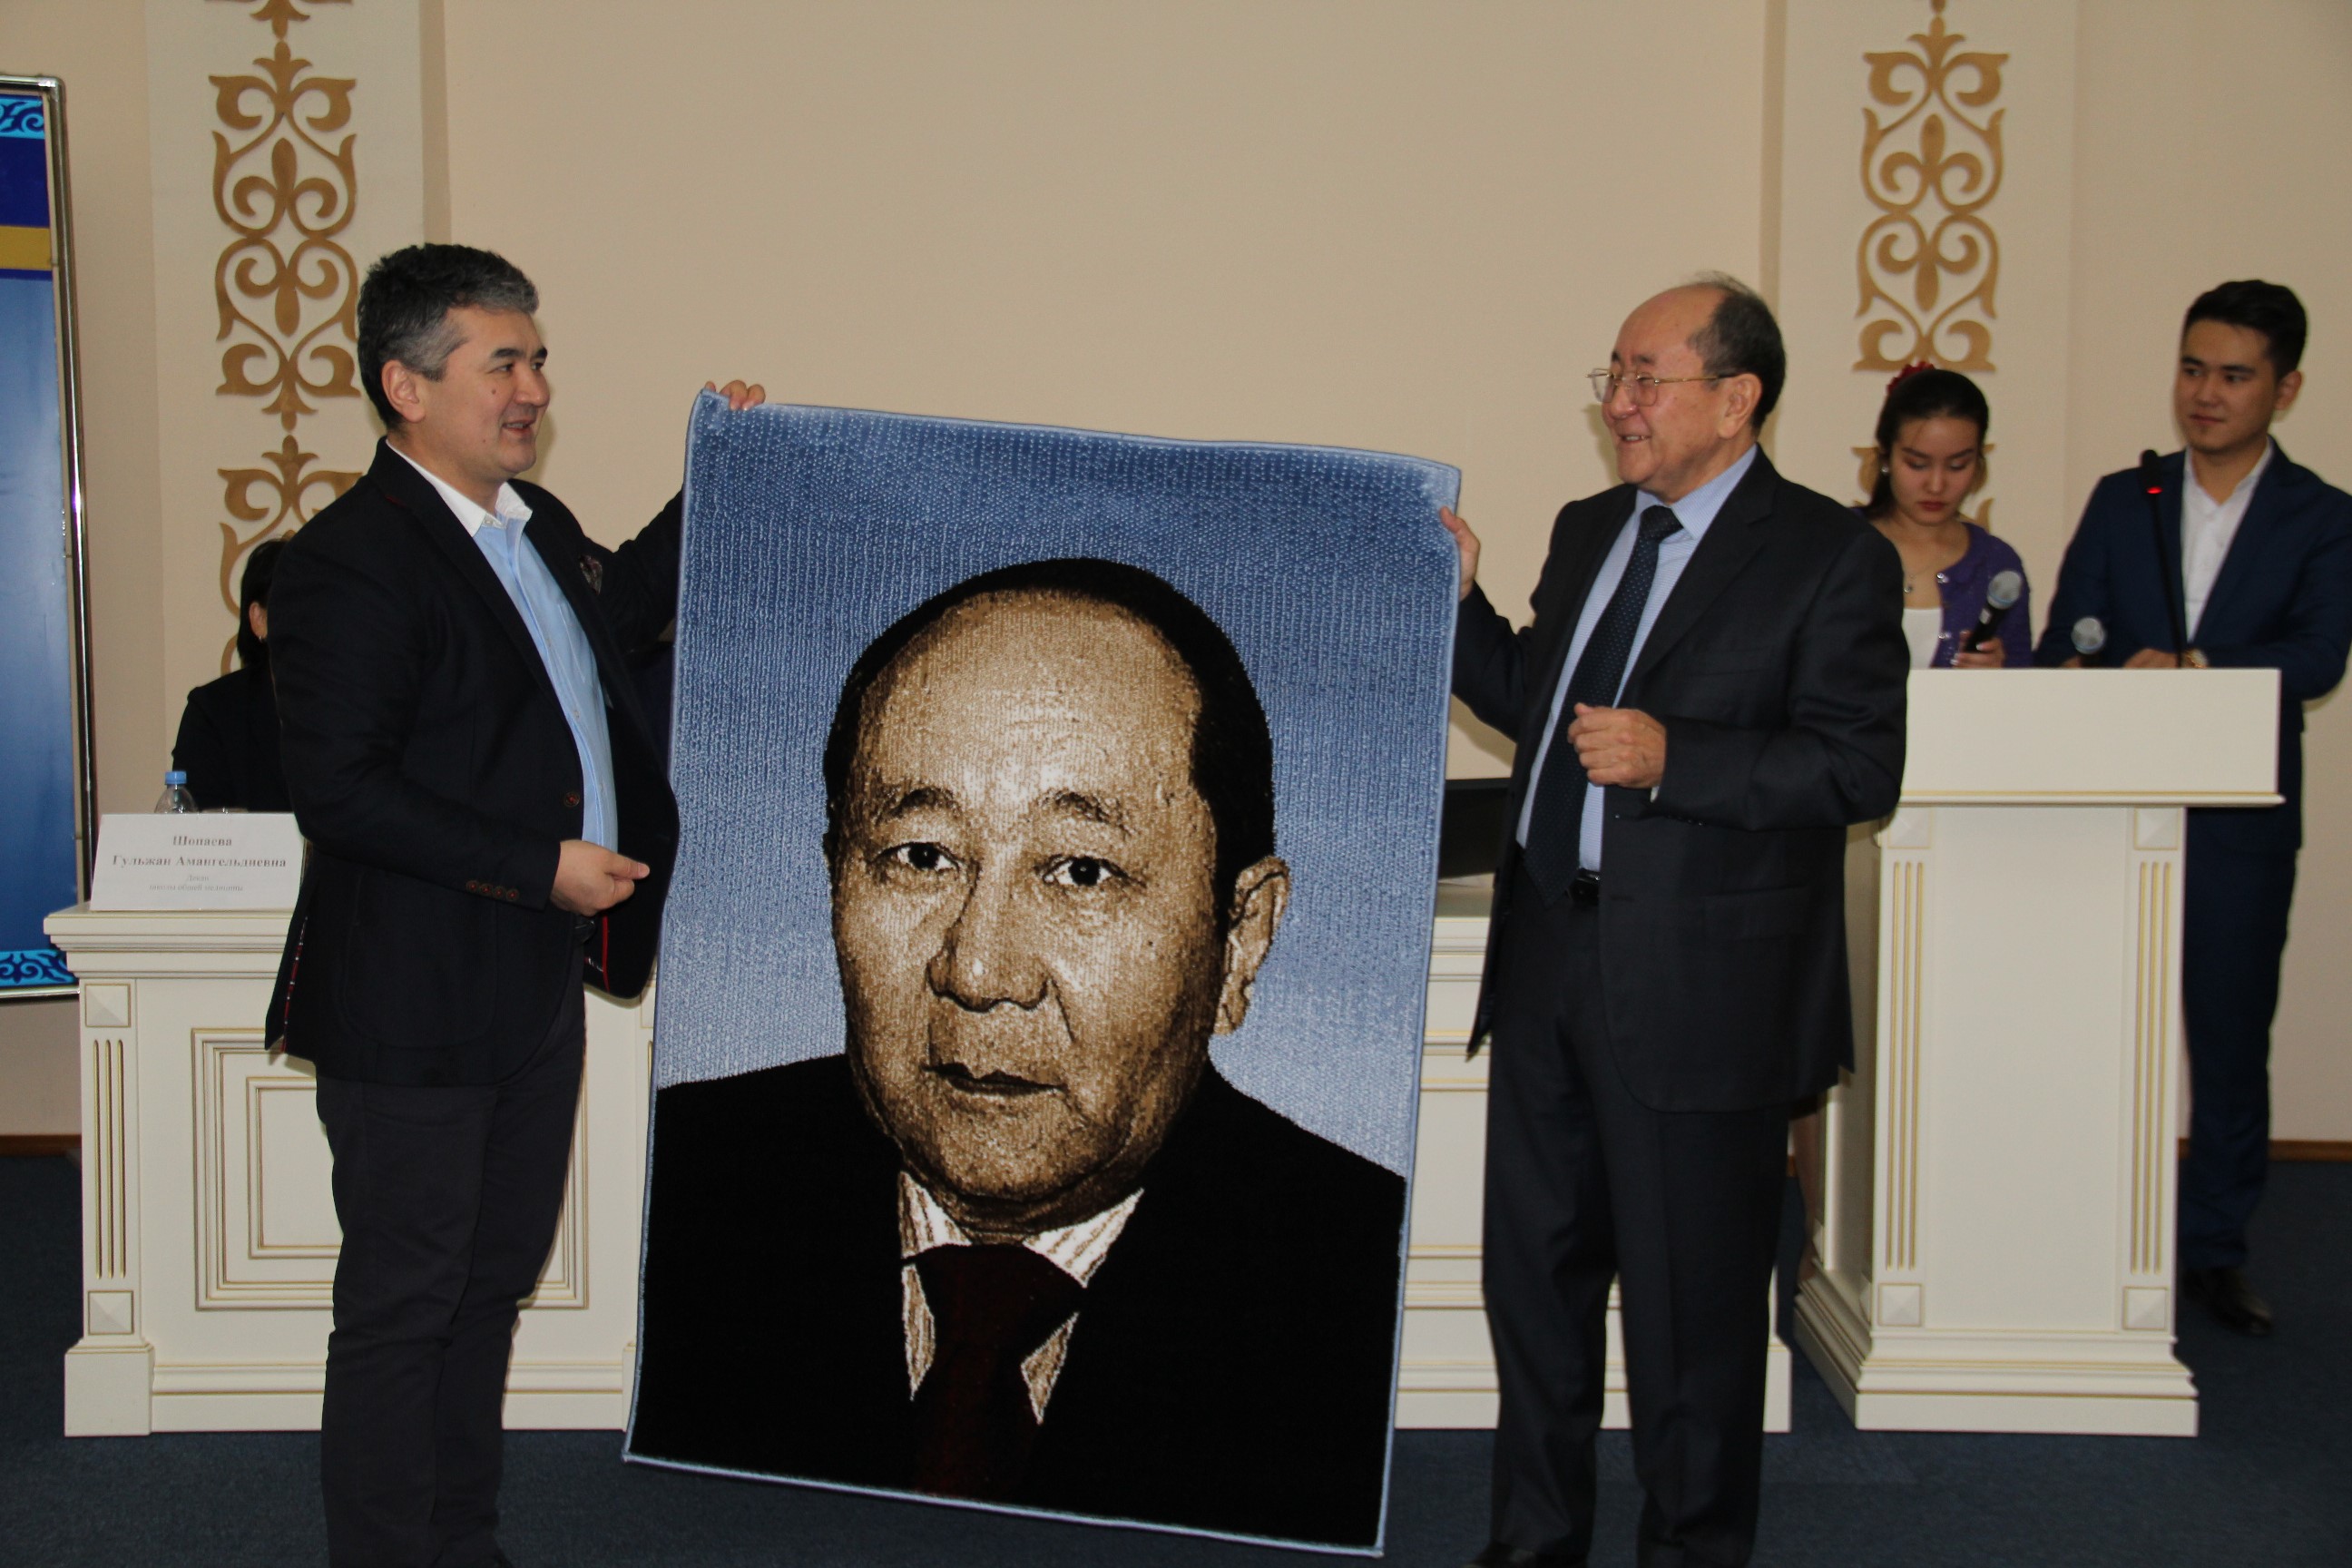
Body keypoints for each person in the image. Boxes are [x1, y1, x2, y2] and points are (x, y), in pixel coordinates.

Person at [630, 557, 1407, 1549]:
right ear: (834, 882)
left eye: (1082, 872)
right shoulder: (678, 1186)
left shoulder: (1357, 1278)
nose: (980, 970)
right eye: (921, 857)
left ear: (1241, 935)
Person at [263, 240, 763, 1567]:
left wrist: (720, 474)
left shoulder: (529, 526)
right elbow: (342, 791)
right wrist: (541, 865)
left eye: (537, 360)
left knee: (485, 1290)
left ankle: (459, 1542)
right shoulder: (351, 561)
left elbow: (626, 609)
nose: (534, 388)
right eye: (503, 364)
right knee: (405, 1306)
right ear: (406, 385)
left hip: (530, 988)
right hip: (413, 1001)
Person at [1444, 275, 1906, 1568]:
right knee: (1534, 1291)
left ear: (1737, 397)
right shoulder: (1592, 527)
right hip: (1548, 958)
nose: (1621, 403)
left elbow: (1857, 767)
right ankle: (1531, 1548)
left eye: (1648, 378)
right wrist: (1459, 603)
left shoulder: (1829, 556)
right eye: (1616, 375)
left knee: (1690, 1322)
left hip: (1706, 995)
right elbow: (1542, 702)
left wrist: (1677, 759)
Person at [2034, 279, 2352, 1338]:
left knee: (2227, 1041)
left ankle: (2214, 1248)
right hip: (2109, 813)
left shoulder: (2323, 516)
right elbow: (2066, 637)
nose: (2205, 394)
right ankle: (2078, 1229)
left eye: (2234, 375)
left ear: (2285, 388)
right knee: (2089, 1033)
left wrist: (2199, 668)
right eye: (2191, 369)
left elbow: (2317, 658)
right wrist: (2087, 664)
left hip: (2237, 823)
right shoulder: (2127, 497)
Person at [1860, 364, 2029, 670]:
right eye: (1917, 464)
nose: (1936, 485)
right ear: (1886, 457)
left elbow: (2026, 683)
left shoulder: (1996, 566)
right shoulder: (1835, 545)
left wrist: (2000, 676)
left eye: (1957, 466)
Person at [172, 537, 291, 810]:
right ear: (259, 619)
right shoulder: (214, 713)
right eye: (295, 604)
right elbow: (199, 825)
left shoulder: (360, 706)